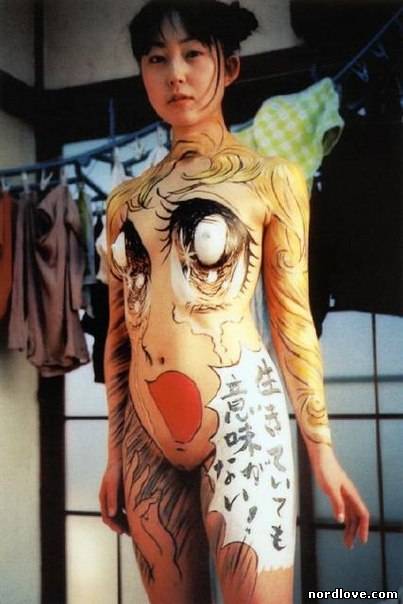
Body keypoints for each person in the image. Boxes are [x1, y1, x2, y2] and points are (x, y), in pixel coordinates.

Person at [99, 2, 370, 602]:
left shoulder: (272, 179)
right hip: (145, 433)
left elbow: (293, 319)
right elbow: (119, 336)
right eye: (157, 59)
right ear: (142, 72)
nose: (176, 73)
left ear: (230, 67)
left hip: (242, 420)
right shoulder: (125, 202)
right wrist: (114, 456)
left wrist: (323, 453)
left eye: (193, 54)